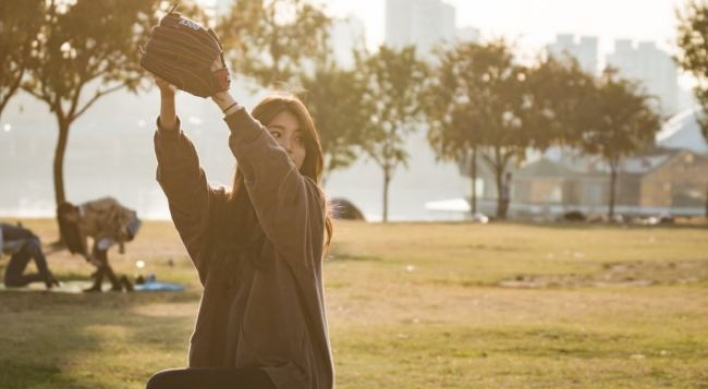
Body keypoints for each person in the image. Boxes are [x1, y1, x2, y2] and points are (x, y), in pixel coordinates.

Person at [146, 73, 334, 389]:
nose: (288, 147)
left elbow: (272, 172)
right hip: (230, 370)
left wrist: (224, 98)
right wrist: (168, 99)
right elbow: (183, 185)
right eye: (276, 134)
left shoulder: (306, 206)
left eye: (299, 139)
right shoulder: (225, 213)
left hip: (288, 377)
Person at [57, 197, 141, 292]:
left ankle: (112, 283)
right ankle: (110, 284)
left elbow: (113, 202)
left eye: (67, 218)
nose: (68, 222)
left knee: (99, 249)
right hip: (112, 232)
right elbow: (84, 243)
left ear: (72, 212)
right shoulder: (80, 225)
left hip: (130, 223)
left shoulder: (90, 207)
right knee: (100, 252)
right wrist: (89, 257)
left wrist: (120, 240)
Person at [1, 223, 59, 289]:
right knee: (11, 281)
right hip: (19, 251)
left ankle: (45, 276)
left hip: (30, 243)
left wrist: (44, 271)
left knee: (43, 272)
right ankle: (42, 276)